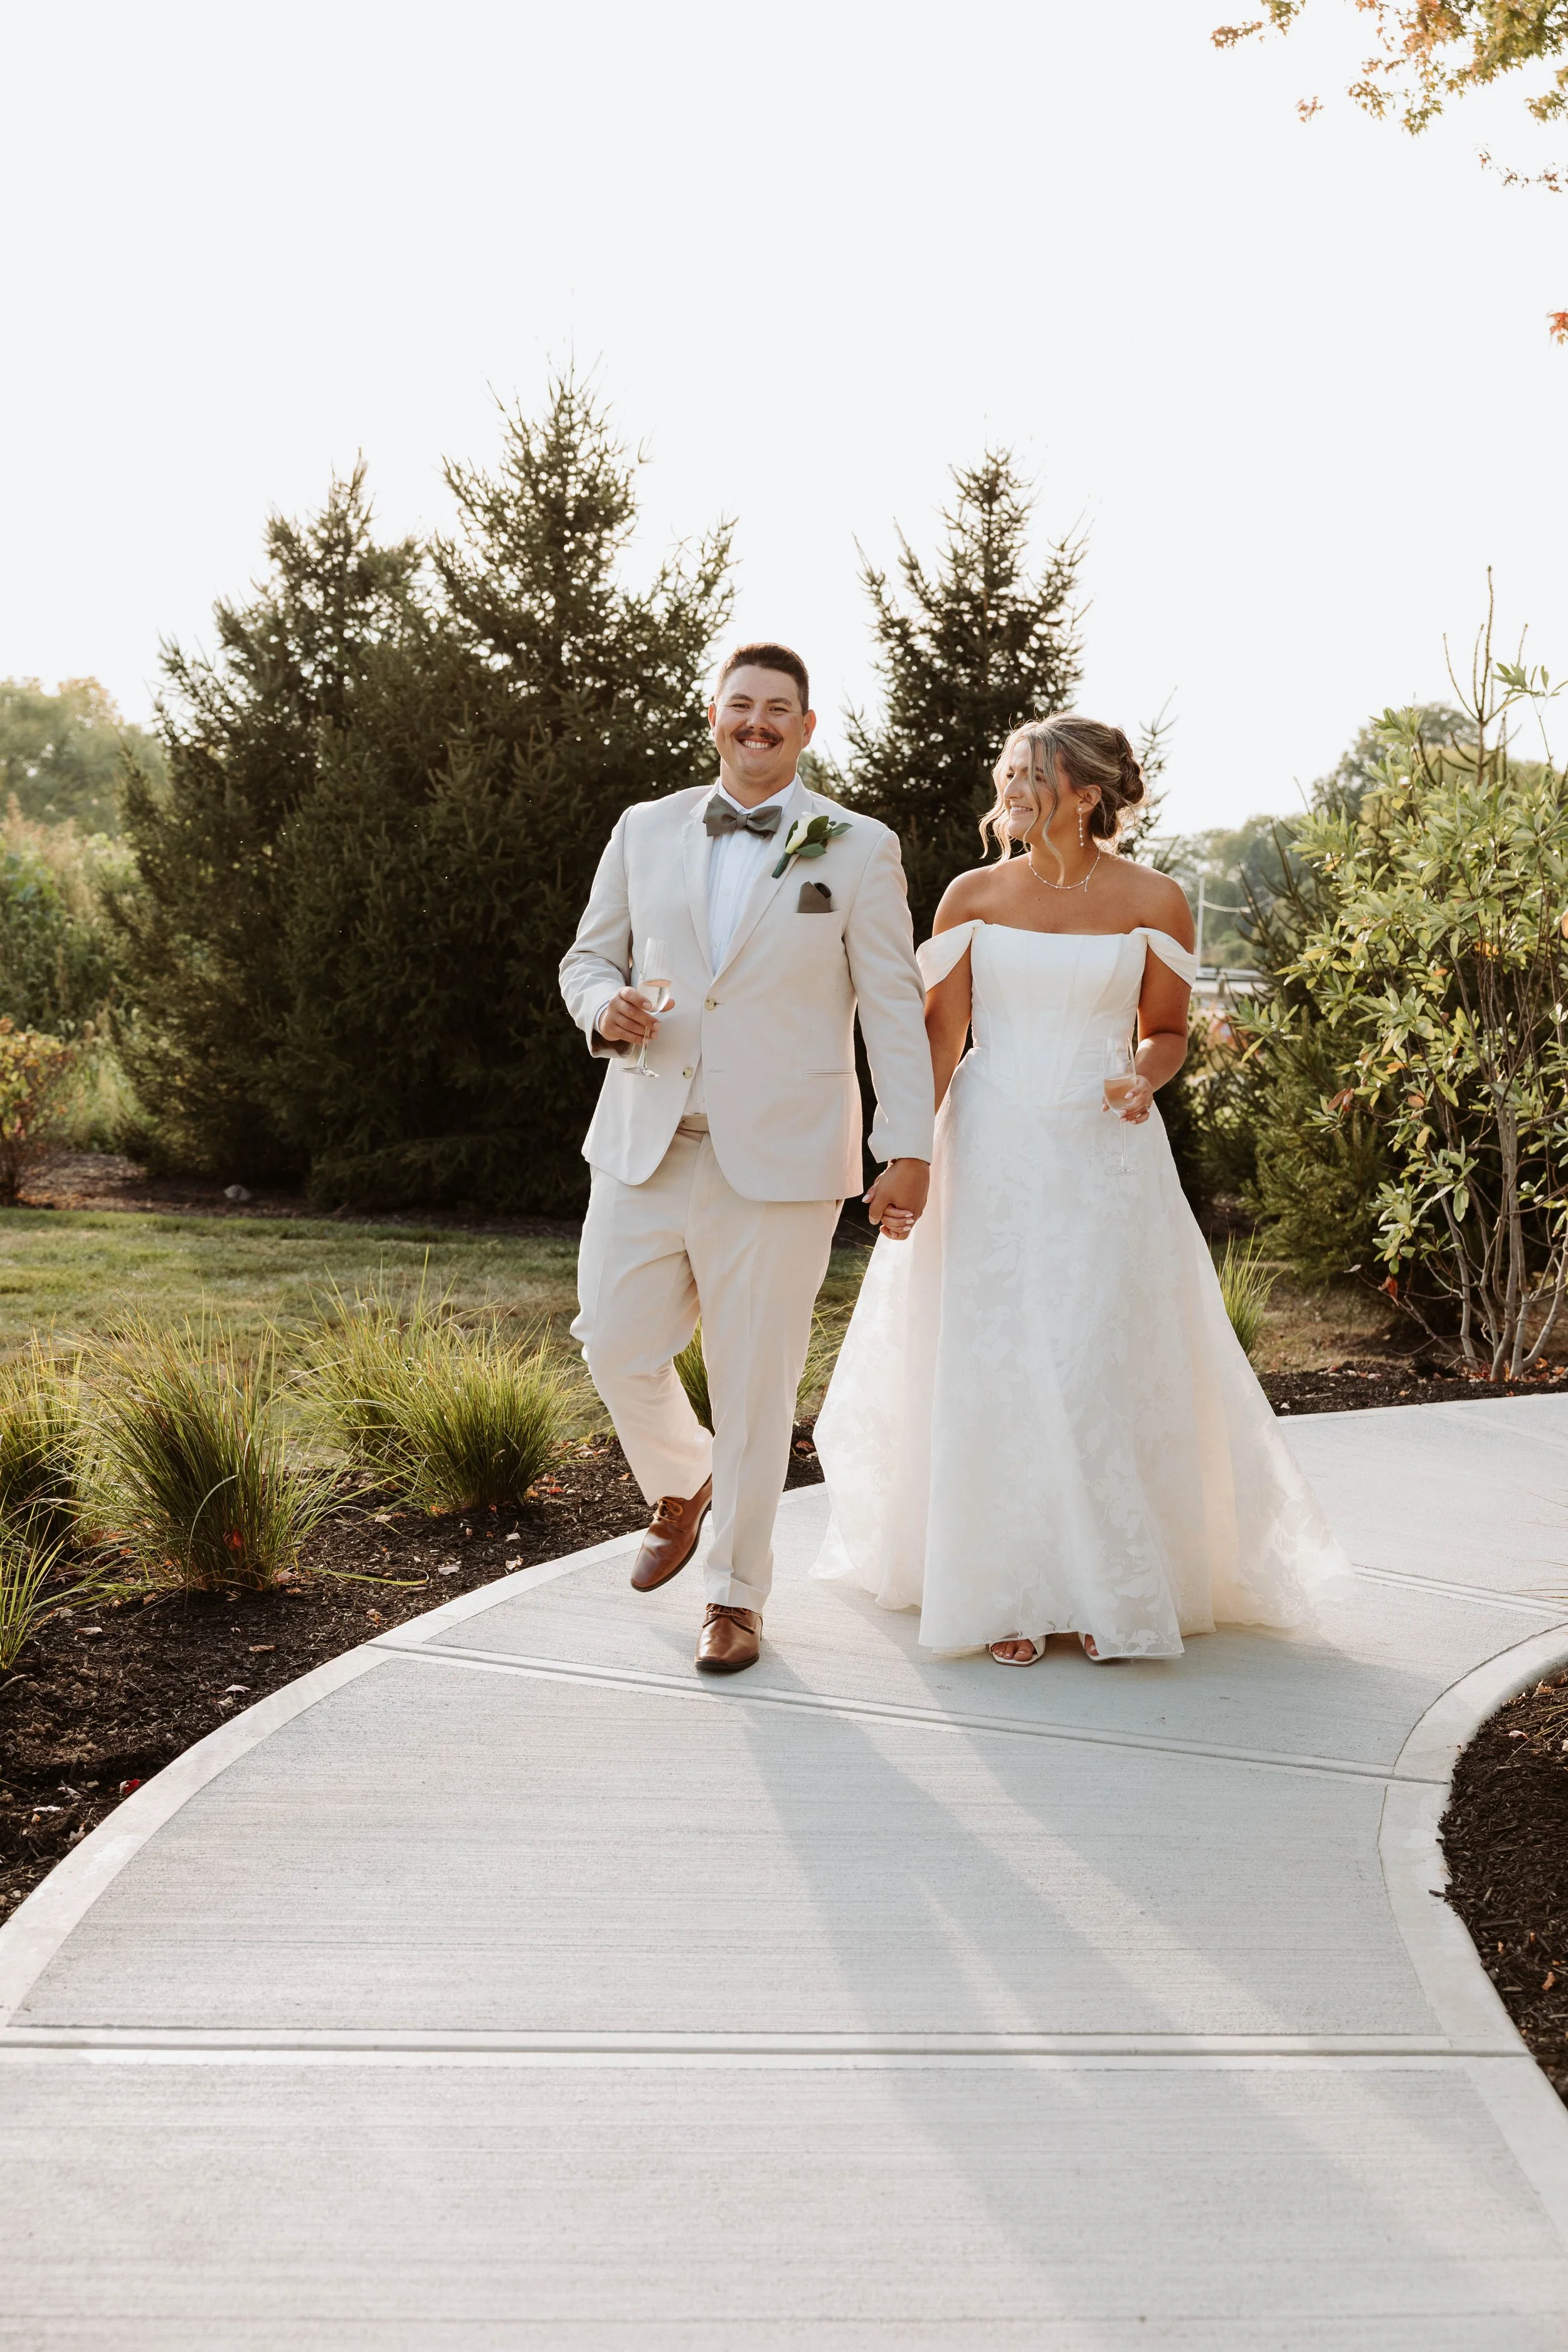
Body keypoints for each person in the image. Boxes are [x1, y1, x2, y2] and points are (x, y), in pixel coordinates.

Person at [813, 714, 1349, 1662]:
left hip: (1105, 1154)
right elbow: (943, 1038)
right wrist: (907, 1152)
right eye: (1008, 770)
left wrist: (1145, 1075)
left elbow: (1170, 1028)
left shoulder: (1159, 899)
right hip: (991, 1143)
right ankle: (1010, 1593)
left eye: (1032, 774)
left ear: (1089, 793)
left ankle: (1107, 1585)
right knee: (1003, 1359)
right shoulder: (972, 893)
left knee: (1096, 1356)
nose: (1011, 787)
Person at [559, 642, 935, 1675]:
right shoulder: (644, 829)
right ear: (713, 716)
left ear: (807, 728)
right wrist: (604, 1005)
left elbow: (894, 1007)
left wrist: (908, 1145)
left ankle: (734, 1597)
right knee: (613, 1341)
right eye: (740, 706)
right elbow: (587, 954)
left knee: (757, 1383)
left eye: (779, 709)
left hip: (781, 1159)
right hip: (645, 1137)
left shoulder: (857, 847)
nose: (757, 723)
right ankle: (686, 1480)